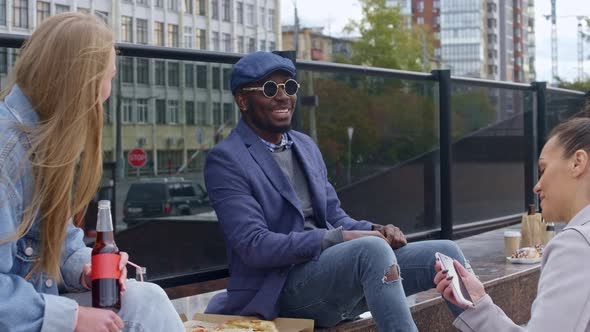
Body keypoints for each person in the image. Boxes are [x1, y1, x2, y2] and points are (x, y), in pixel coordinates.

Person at [204, 51, 469, 331]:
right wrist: (340, 238)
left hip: (331, 278)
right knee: (371, 250)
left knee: (445, 253)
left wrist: (376, 228)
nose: (283, 96)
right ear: (243, 100)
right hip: (279, 290)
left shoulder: (304, 146)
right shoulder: (227, 159)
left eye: (290, 87)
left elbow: (334, 215)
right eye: (270, 89)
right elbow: (254, 246)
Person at [0, 13, 184, 332]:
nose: (107, 93)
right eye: (107, 77)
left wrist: (86, 267)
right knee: (145, 308)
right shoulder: (6, 155)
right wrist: (70, 318)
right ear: (79, 80)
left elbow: (59, 241)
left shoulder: (39, 139)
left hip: (33, 304)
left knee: (146, 300)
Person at [434, 114, 590, 331]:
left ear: (577, 163)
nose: (537, 186)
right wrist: (479, 305)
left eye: (543, 170)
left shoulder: (576, 246)